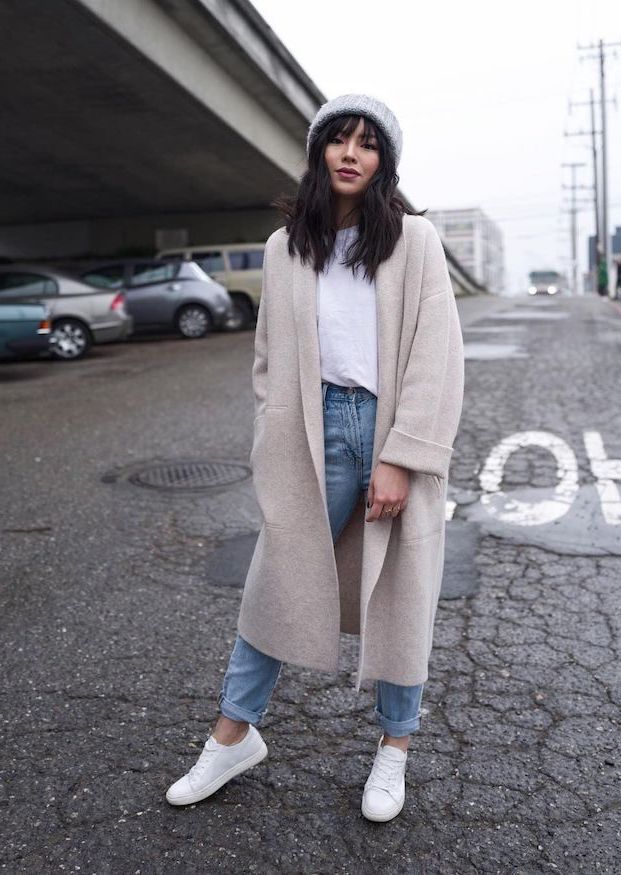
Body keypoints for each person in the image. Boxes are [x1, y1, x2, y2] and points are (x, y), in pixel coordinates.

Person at [165, 94, 465, 822]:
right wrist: (275, 434)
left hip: (389, 428)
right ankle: (233, 735)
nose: (351, 153)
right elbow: (269, 358)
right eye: (340, 140)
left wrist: (403, 455)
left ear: (384, 162)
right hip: (314, 429)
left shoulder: (414, 241)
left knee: (399, 591)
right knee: (275, 578)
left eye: (367, 143)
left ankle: (394, 749)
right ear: (320, 152)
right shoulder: (283, 246)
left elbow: (437, 352)